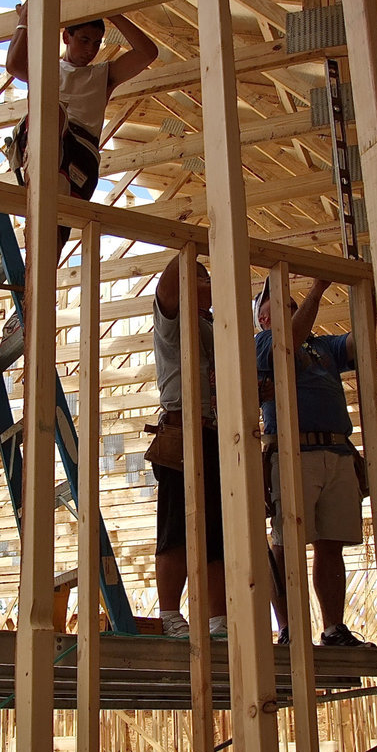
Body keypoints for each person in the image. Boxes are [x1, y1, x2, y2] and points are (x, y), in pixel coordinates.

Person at [254, 276, 376, 648]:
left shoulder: (324, 346)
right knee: (286, 542)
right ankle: (289, 629)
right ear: (263, 318)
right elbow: (288, 341)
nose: (286, 301)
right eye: (275, 301)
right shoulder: (263, 342)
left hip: (337, 452)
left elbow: (361, 337)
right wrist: (319, 288)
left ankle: (333, 628)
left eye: (290, 300)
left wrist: (368, 289)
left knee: (330, 544)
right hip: (294, 452)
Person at [4, 0, 158, 246]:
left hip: (80, 157)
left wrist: (111, 11)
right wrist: (25, 21)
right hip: (44, 143)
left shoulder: (102, 75)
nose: (91, 49)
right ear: (66, 37)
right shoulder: (47, 68)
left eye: (97, 43)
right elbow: (14, 65)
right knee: (43, 223)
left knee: (56, 230)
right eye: (84, 40)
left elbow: (148, 53)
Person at [150, 254, 228, 638]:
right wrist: (189, 249)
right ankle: (169, 614)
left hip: (217, 434)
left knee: (217, 534)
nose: (210, 288)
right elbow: (166, 287)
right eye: (202, 281)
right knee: (176, 527)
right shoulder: (173, 320)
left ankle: (218, 620)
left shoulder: (218, 327)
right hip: (182, 433)